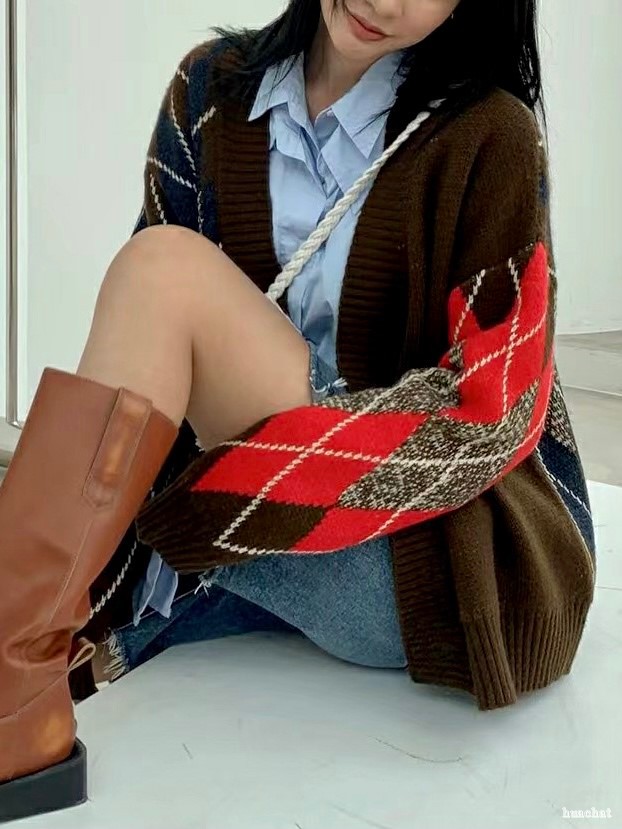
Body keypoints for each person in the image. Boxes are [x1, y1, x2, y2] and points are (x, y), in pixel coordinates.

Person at [0, 0, 596, 822]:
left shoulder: (490, 135)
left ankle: (12, 695)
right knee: (152, 281)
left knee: (163, 272)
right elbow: (141, 376)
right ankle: (19, 678)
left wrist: (228, 494)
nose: (383, 0)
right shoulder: (210, 93)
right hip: (250, 529)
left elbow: (491, 410)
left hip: (412, 560)